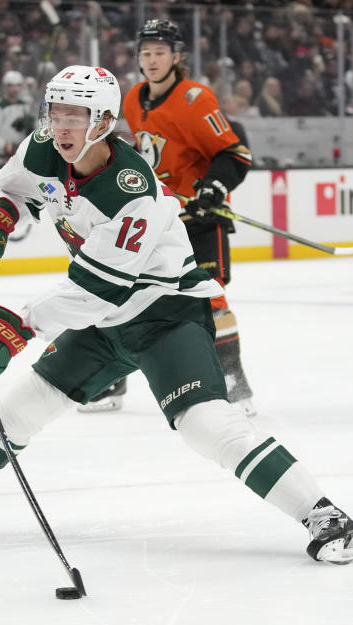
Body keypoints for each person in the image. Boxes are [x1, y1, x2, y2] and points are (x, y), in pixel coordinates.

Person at [0, 65, 353, 566]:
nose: (62, 125)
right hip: (103, 321)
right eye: (56, 112)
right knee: (20, 410)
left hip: (164, 315)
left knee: (206, 425)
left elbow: (96, 290)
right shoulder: (44, 146)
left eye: (76, 115)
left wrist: (16, 327)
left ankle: (326, 515)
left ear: (103, 122)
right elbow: (17, 187)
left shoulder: (130, 190)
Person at [120, 18, 256, 415]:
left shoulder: (196, 98)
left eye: (160, 52)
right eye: (145, 52)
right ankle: (110, 378)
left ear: (176, 56)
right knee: (128, 295)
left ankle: (232, 379)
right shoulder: (132, 100)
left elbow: (234, 153)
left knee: (210, 299)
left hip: (199, 221)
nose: (152, 59)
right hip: (158, 221)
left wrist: (212, 188)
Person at [0, 70, 35, 174]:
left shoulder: (25, 106)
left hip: (18, 160)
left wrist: (31, 127)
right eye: (11, 85)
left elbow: (32, 130)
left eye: (18, 85)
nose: (15, 89)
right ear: (5, 86)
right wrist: (5, 146)